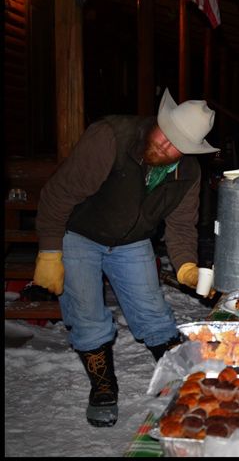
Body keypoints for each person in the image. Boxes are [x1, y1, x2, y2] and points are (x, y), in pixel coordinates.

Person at [33, 88, 219, 427]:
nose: (164, 144)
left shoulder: (188, 175)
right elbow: (58, 195)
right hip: (78, 235)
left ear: (190, 151)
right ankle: (103, 388)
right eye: (165, 134)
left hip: (132, 242)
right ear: (160, 120)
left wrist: (187, 266)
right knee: (86, 313)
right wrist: (49, 249)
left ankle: (181, 379)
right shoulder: (110, 138)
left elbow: (180, 227)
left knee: (153, 313)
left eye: (176, 144)